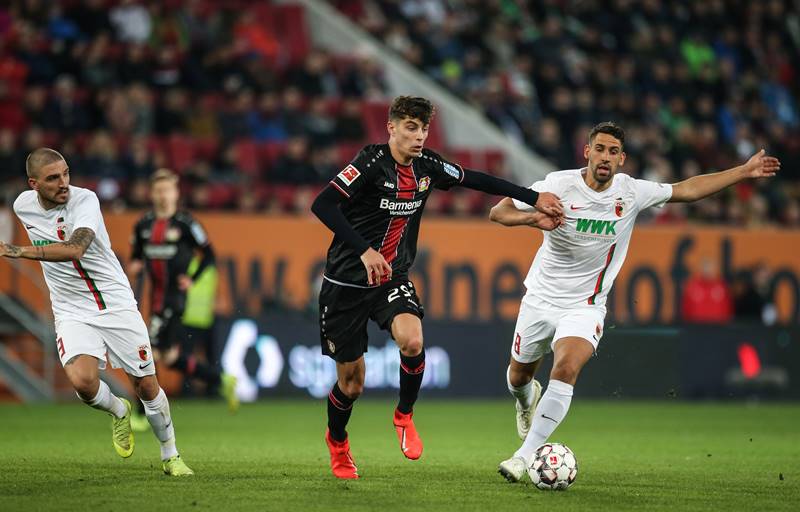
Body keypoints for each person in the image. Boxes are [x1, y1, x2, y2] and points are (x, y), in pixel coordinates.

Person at [489, 122, 780, 482]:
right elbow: (498, 212)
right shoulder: (556, 185)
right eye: (600, 149)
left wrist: (743, 171)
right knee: (518, 377)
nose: (605, 157)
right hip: (540, 298)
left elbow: (686, 190)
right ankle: (525, 399)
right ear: (587, 151)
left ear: (622, 159)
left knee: (565, 368)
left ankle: (524, 455)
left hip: (586, 304)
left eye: (613, 152)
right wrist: (532, 218)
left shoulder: (631, 192)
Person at [310, 95, 563, 479]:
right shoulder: (369, 162)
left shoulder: (427, 166)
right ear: (391, 127)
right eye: (411, 127)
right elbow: (323, 205)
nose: (419, 136)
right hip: (345, 283)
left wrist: (534, 198)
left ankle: (404, 415)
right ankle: (338, 442)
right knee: (352, 384)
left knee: (412, 341)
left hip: (390, 278)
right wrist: (364, 250)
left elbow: (477, 179)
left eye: (424, 128)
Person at [1, 148, 195, 476]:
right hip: (70, 308)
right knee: (83, 383)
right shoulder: (22, 205)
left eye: (66, 173)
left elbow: (76, 248)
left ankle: (170, 454)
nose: (63, 183)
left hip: (114, 303)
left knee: (147, 385)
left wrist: (18, 251)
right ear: (34, 184)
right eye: (53, 178)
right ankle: (119, 411)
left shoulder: (85, 200)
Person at [128, 169, 237, 431]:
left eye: (167, 190)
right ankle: (221, 380)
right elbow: (135, 257)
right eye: (158, 190)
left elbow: (209, 256)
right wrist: (134, 266)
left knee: (147, 354)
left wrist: (192, 278)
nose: (163, 195)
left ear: (176, 193)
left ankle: (141, 413)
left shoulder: (187, 225)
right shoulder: (143, 226)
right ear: (152, 194)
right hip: (153, 298)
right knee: (171, 357)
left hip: (175, 299)